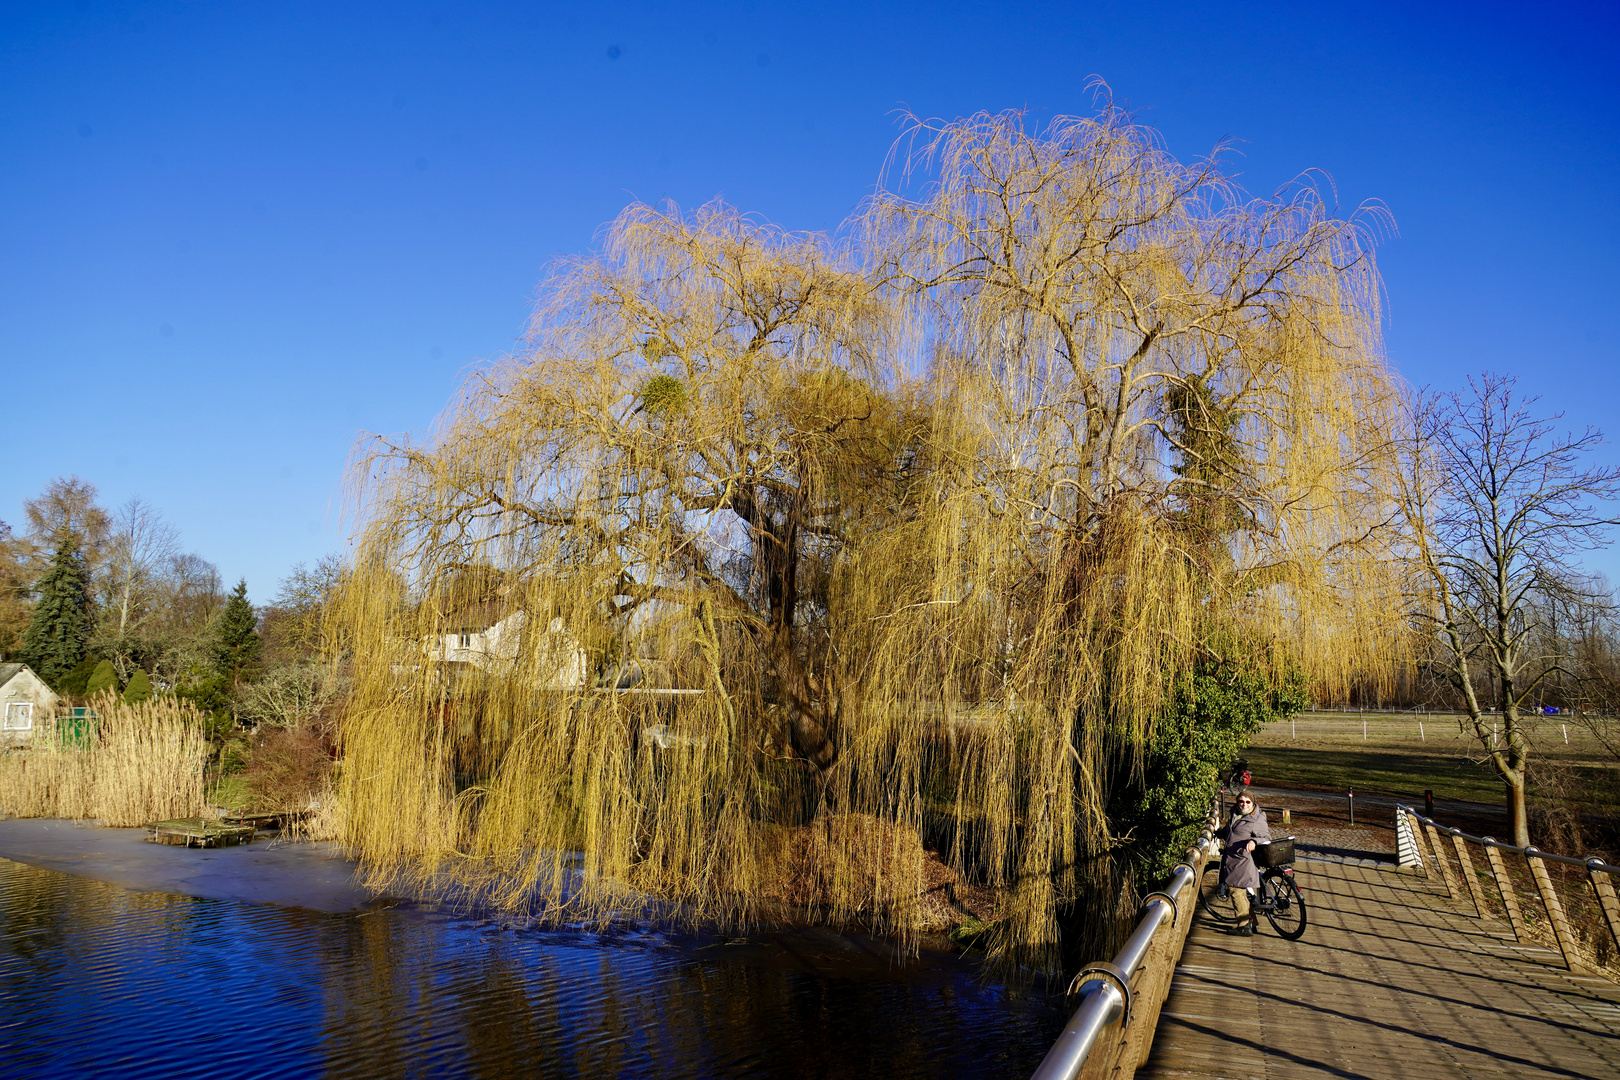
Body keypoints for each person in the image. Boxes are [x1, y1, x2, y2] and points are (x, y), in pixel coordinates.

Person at [1217, 787, 1271, 936]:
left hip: (1244, 860)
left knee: (1236, 890)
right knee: (1239, 891)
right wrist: (1218, 833)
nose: (1244, 804)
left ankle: (1244, 926)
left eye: (1247, 802)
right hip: (1233, 858)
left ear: (1253, 803)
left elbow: (1266, 837)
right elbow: (1230, 830)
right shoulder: (1235, 813)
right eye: (1241, 801)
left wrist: (1254, 841)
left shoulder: (1256, 818)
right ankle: (1251, 923)